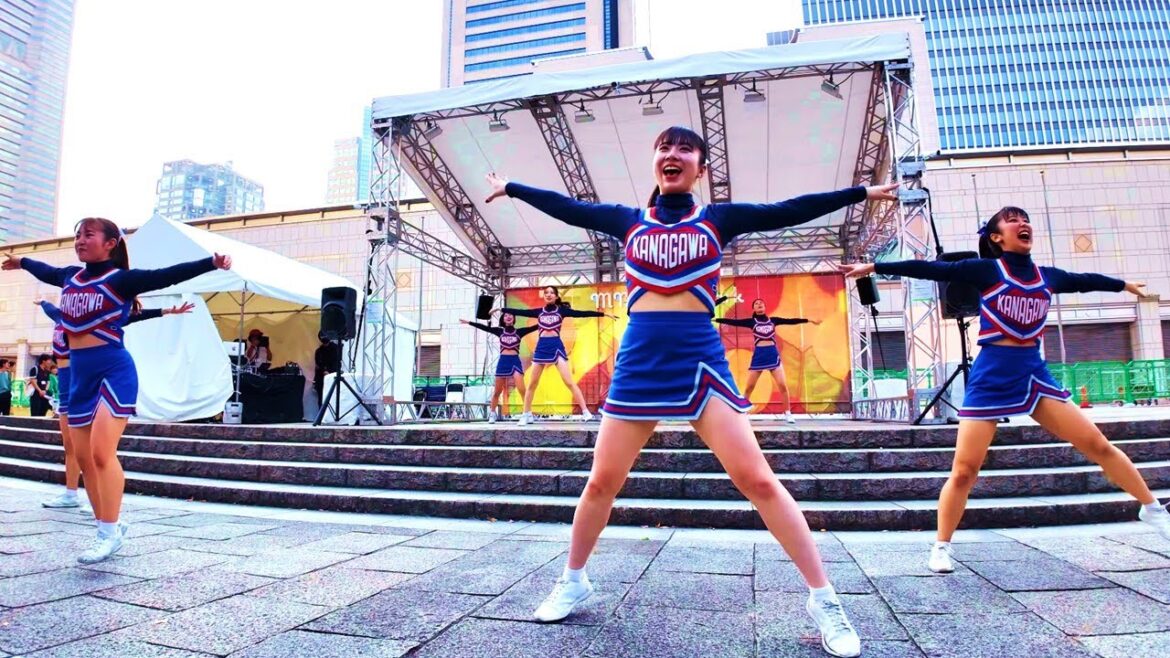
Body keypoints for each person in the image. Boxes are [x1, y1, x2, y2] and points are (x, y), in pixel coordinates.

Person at [484, 126, 897, 658]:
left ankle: (825, 600)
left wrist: (860, 192)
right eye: (664, 147)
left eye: (684, 149)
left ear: (701, 166)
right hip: (640, 362)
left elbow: (791, 209)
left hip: (700, 360)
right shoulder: (628, 221)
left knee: (758, 480)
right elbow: (568, 208)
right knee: (601, 482)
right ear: (654, 161)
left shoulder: (718, 220)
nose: (672, 155)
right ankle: (574, 579)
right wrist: (513, 188)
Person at [838, 205, 1170, 573]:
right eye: (1013, 221)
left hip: (1032, 373)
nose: (1023, 224)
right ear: (997, 237)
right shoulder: (987, 270)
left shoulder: (1047, 276)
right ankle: (941, 546)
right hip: (992, 375)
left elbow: (1083, 279)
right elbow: (933, 269)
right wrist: (876, 267)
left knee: (1098, 444)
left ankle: (1152, 509)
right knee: (965, 470)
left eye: (1025, 220)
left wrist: (1122, 285)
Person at [2, 216, 231, 564]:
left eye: (88, 235)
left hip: (113, 371)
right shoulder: (70, 277)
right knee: (84, 459)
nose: (80, 240)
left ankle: (107, 535)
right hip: (79, 376)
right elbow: (45, 270)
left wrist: (210, 263)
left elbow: (166, 275)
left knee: (100, 453)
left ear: (110, 243)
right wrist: (21, 261)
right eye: (77, 235)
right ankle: (108, 524)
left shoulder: (121, 280)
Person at [36, 298, 194, 515]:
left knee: (94, 448)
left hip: (83, 378)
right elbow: (49, 308)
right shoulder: (60, 316)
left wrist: (165, 310)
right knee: (70, 445)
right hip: (65, 380)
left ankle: (101, 500)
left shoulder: (96, 316)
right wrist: (41, 301)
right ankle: (71, 494)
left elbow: (132, 316)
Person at [498, 287, 614, 424]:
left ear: (556, 297)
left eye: (551, 293)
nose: (548, 295)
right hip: (541, 348)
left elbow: (581, 314)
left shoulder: (561, 311)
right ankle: (526, 414)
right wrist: (501, 309)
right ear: (544, 296)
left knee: (569, 382)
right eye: (546, 293)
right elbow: (520, 311)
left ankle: (585, 412)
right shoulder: (539, 312)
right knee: (532, 383)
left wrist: (603, 315)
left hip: (556, 347)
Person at [716, 298, 820, 424]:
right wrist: (716, 320)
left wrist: (809, 320)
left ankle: (787, 413)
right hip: (759, 356)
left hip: (773, 355)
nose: (759, 304)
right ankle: (742, 413)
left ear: (765, 307)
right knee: (749, 387)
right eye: (756, 304)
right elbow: (734, 322)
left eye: (761, 303)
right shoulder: (751, 322)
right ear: (754, 309)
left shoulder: (773, 320)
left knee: (782, 385)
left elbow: (790, 321)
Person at [460, 312, 539, 422]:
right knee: (497, 391)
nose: (508, 317)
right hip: (503, 361)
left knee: (522, 389)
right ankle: (492, 413)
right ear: (503, 319)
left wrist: (547, 319)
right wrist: (469, 322)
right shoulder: (499, 331)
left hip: (515, 361)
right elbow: (485, 328)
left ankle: (528, 413)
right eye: (506, 315)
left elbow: (535, 327)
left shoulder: (519, 332)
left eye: (511, 315)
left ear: (514, 318)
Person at [313, 331, 342, 406]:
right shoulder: (319, 351)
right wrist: (324, 370)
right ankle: (321, 412)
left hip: (333, 377)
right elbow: (318, 364)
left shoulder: (336, 349)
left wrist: (329, 371)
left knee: (333, 398)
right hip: (321, 378)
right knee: (321, 398)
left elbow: (337, 363)